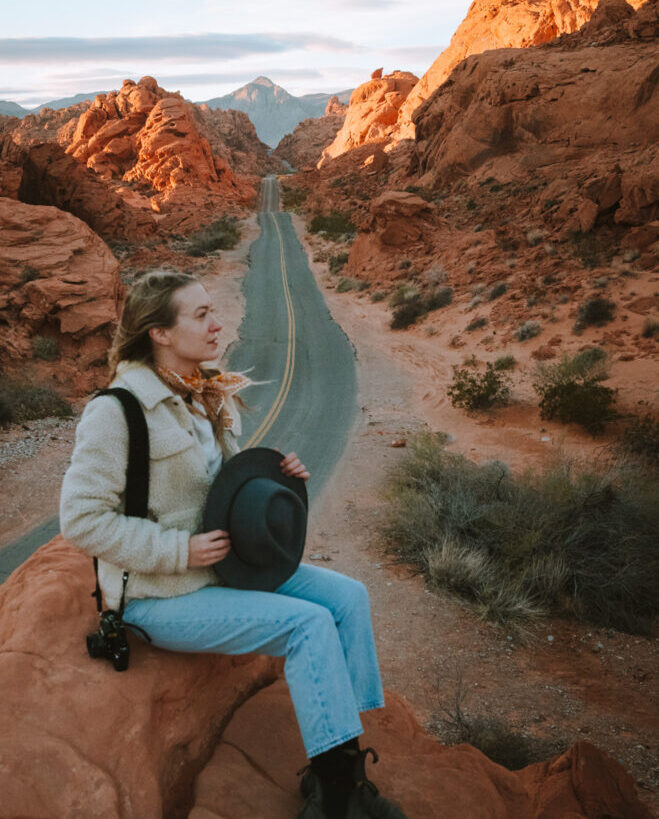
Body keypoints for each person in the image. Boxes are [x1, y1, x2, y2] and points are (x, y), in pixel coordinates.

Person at [60, 270, 406, 819]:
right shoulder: (118, 412)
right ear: (161, 334)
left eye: (211, 310)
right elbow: (79, 520)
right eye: (200, 315)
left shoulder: (204, 394)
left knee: (349, 599)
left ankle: (341, 753)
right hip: (161, 596)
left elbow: (224, 484)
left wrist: (283, 473)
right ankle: (338, 798)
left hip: (228, 570)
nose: (217, 324)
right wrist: (179, 550)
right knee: (307, 624)